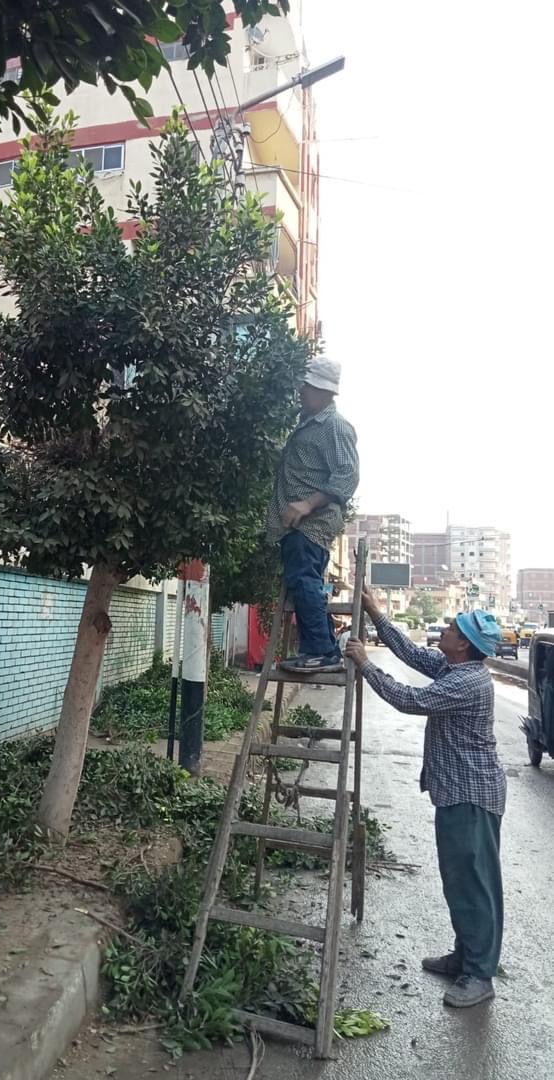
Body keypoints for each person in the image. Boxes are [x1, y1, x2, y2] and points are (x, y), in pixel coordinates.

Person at [345, 591, 505, 1009]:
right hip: (456, 790)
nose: (445, 630)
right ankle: (465, 955)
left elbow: (410, 700)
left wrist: (365, 665)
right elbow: (414, 655)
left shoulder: (468, 682)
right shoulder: (455, 666)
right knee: (458, 879)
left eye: (452, 628)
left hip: (471, 795)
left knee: (474, 883)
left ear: (465, 643)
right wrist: (377, 615)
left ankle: (480, 974)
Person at [266, 356, 359, 672]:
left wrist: (306, 504)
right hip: (295, 525)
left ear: (323, 390)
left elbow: (347, 476)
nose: (300, 390)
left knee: (304, 581)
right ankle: (321, 649)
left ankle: (322, 652)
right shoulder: (308, 423)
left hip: (312, 523)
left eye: (306, 386)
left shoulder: (335, 427)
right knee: (304, 584)